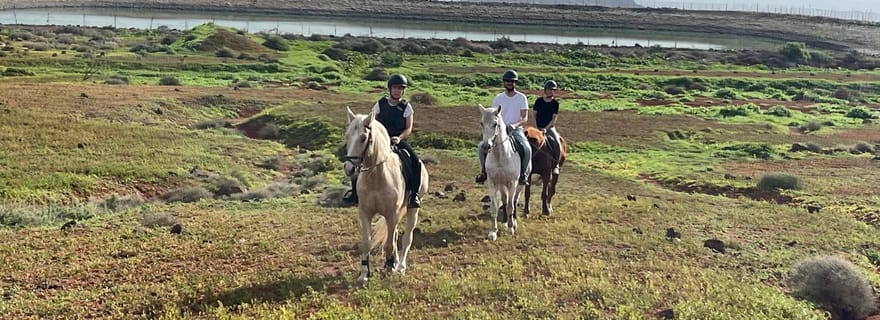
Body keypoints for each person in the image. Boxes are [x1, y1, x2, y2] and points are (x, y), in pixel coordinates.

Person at [343, 74, 422, 208]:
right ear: (390, 89)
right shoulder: (379, 105)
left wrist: (399, 137)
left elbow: (408, 128)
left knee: (415, 162)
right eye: (395, 88)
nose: (397, 90)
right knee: (356, 159)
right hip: (379, 141)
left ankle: (413, 195)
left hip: (397, 140)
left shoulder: (406, 107)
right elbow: (371, 124)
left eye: (400, 88)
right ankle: (355, 194)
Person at [475, 69, 531, 186]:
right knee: (482, 147)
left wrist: (514, 125)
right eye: (507, 81)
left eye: (511, 81)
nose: (509, 83)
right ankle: (483, 172)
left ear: (515, 83)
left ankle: (523, 175)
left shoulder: (521, 98)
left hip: (515, 129)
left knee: (526, 148)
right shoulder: (498, 98)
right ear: (504, 83)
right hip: (498, 130)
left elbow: (524, 118)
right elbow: (493, 115)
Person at [533, 80, 562, 175]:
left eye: (553, 90)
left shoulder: (555, 104)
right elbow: (534, 116)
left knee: (557, 141)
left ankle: (556, 165)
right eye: (550, 90)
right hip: (537, 127)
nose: (551, 92)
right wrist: (536, 128)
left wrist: (546, 128)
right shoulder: (538, 101)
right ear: (545, 90)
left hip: (549, 128)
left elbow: (553, 120)